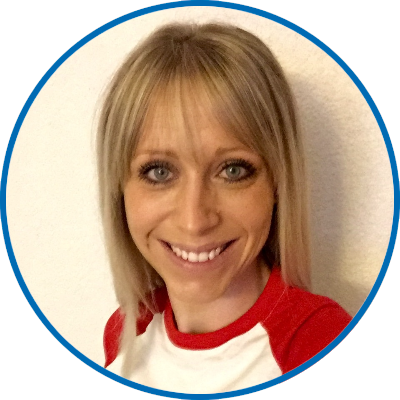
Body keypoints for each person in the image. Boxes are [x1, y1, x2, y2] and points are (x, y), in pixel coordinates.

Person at [97, 22, 351, 393]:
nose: (194, 220)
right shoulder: (125, 330)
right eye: (159, 172)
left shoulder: (317, 341)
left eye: (233, 170)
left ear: (278, 182)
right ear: (119, 189)